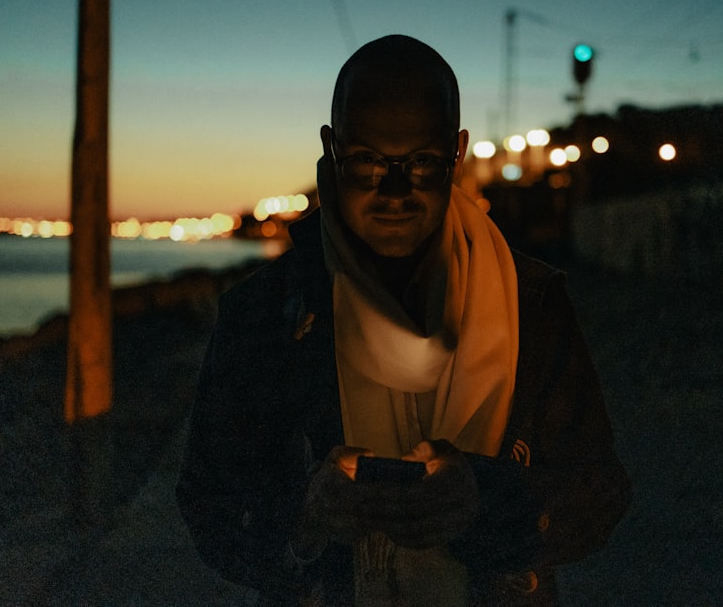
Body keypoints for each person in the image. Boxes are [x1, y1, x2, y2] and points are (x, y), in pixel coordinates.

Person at [177, 34, 630, 605]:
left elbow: (600, 491)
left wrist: (491, 504)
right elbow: (207, 503)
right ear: (330, 147)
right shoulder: (265, 313)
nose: (395, 191)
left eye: (421, 162)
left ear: (457, 152)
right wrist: (304, 518)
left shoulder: (531, 302)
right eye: (367, 161)